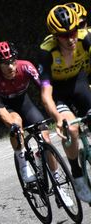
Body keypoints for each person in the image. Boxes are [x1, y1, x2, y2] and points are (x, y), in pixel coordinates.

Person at [0, 41, 73, 205]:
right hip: (7, 108)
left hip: (25, 103)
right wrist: (12, 125)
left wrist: (55, 109)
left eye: (12, 61)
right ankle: (23, 164)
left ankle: (58, 186)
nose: (10, 66)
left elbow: (45, 90)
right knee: (16, 124)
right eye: (5, 63)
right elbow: (1, 110)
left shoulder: (26, 67)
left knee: (45, 139)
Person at [39, 5, 91, 202]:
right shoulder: (47, 52)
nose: (70, 39)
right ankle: (77, 174)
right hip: (59, 92)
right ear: (54, 35)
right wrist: (58, 118)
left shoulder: (85, 38)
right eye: (64, 35)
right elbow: (46, 94)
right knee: (73, 128)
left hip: (79, 84)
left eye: (73, 32)